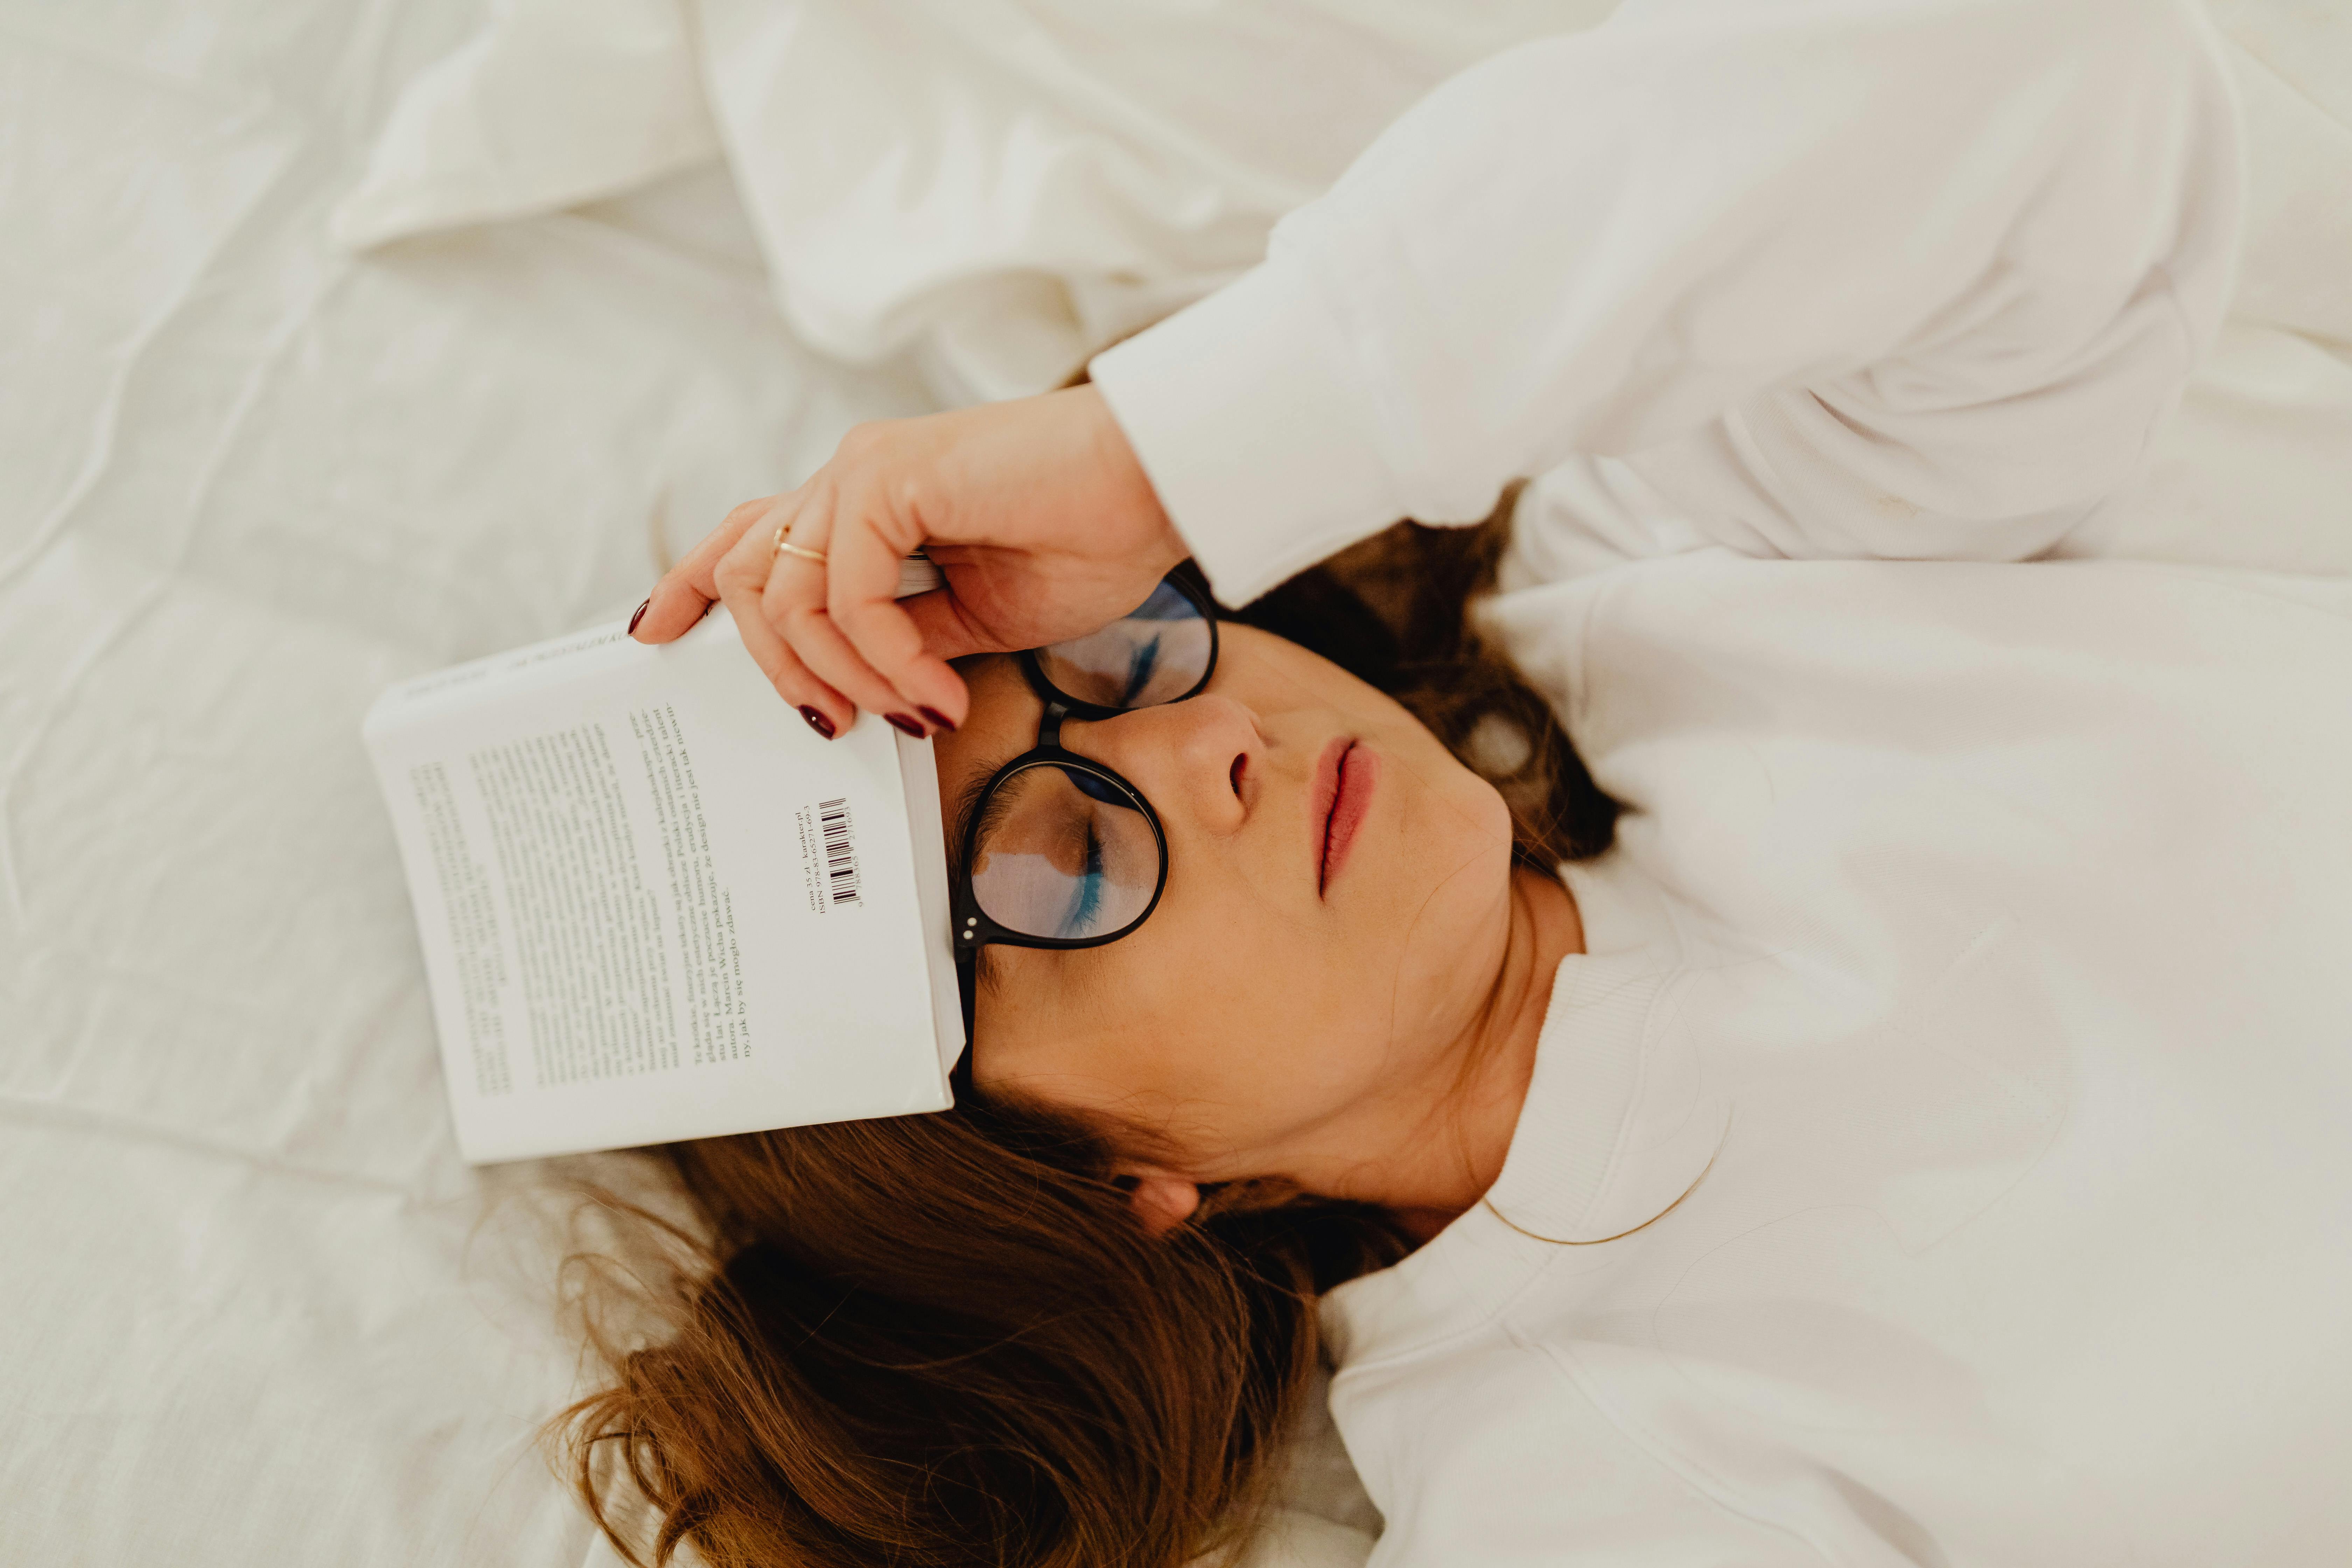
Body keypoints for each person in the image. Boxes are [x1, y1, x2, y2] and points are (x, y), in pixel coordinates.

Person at [576, 1, 2352, 1565]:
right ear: (1113, 1182)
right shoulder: (1589, 1485)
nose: (1214, 747)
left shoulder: (1687, 588)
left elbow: (2050, 61)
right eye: (1059, 863)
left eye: (1115, 659)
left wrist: (1163, 452)